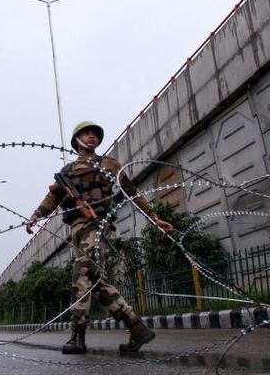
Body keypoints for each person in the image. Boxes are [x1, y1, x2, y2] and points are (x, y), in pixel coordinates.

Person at [26, 121, 174, 354]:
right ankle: (137, 328)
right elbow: (52, 198)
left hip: (99, 225)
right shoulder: (67, 172)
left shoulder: (110, 165)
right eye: (86, 133)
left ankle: (78, 336)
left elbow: (132, 192)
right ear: (77, 140)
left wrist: (155, 217)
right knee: (95, 280)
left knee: (82, 272)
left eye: (95, 134)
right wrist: (36, 215)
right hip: (78, 228)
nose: (92, 137)